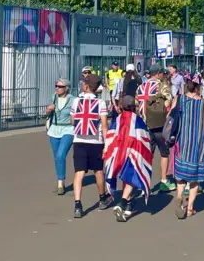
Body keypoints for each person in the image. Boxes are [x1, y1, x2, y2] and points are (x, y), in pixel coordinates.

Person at [172, 73, 204, 218]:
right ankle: (190, 207)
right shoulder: (202, 103)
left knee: (181, 176)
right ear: (198, 86)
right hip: (197, 143)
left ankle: (179, 197)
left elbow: (171, 117)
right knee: (195, 177)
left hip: (182, 141)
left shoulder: (179, 99)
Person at [104, 96, 153, 222]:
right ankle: (122, 202)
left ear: (121, 107)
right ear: (133, 107)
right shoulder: (138, 119)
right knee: (132, 177)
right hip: (133, 152)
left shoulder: (117, 119)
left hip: (119, 153)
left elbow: (111, 136)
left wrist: (108, 151)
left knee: (126, 177)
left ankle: (128, 206)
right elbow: (144, 136)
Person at [70, 74, 112, 218]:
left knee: (79, 172)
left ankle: (77, 204)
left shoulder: (76, 101)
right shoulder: (100, 103)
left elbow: (72, 121)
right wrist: (107, 144)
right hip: (96, 141)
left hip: (79, 140)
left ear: (86, 86)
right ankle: (102, 198)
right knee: (98, 171)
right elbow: (105, 125)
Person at [142, 67, 176, 193]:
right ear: (158, 74)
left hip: (143, 126)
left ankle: (144, 183)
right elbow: (168, 103)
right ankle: (163, 181)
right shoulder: (162, 87)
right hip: (159, 125)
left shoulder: (141, 87)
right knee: (164, 153)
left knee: (147, 155)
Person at [46, 78, 75, 195]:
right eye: (56, 86)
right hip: (54, 129)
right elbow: (48, 113)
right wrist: (48, 109)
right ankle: (60, 181)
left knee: (60, 154)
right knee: (57, 157)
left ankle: (60, 185)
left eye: (60, 86)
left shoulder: (73, 100)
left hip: (68, 129)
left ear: (66, 88)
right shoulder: (54, 97)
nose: (57, 88)